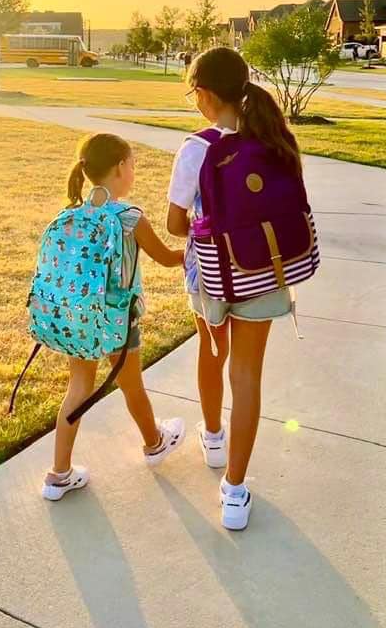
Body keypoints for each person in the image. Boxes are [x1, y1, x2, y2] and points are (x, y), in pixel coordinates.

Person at [167, 47, 303, 530]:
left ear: (203, 94)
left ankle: (212, 436)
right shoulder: (271, 136)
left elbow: (175, 225)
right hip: (265, 275)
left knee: (211, 351)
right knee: (247, 378)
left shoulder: (195, 148)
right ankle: (235, 490)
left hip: (212, 278)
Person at [42, 133, 187, 501]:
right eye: (133, 164)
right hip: (117, 319)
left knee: (78, 386)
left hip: (79, 315)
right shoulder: (129, 217)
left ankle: (59, 474)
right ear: (121, 167)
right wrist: (198, 246)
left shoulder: (72, 213)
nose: (134, 170)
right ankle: (154, 443)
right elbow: (169, 258)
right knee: (131, 384)